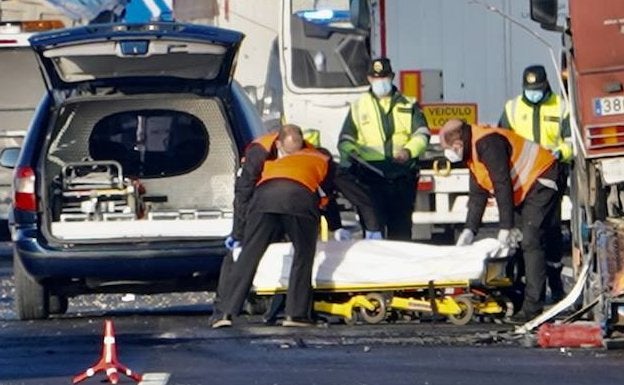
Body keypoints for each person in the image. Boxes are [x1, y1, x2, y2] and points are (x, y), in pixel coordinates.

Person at [212, 124, 339, 328]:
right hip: (299, 202)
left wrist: (244, 233)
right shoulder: (261, 152)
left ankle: (224, 312)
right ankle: (296, 314)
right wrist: (335, 224)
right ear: (279, 143)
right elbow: (327, 195)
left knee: (249, 254)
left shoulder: (280, 161)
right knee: (303, 256)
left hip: (264, 201)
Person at [440, 119, 559, 323]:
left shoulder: (487, 143)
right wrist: (470, 230)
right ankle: (520, 297)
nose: (449, 154)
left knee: (531, 240)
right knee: (519, 244)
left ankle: (533, 308)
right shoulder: (472, 154)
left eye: (449, 149)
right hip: (526, 187)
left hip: (542, 177)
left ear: (458, 143)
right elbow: (478, 194)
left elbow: (501, 182)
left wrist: (506, 226)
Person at [498, 64, 572, 303]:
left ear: (546, 86)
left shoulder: (560, 107)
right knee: (525, 234)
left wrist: (560, 152)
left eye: (538, 89)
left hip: (551, 176)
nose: (534, 93)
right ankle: (524, 286)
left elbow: (572, 141)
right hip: (522, 179)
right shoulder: (512, 109)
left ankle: (554, 281)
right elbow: (502, 140)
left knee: (549, 230)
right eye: (530, 90)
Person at [337, 57, 431, 241]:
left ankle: (400, 269)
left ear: (392, 76)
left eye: (384, 77)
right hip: (370, 178)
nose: (380, 81)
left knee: (401, 233)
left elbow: (422, 134)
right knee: (373, 229)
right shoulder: (358, 106)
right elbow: (345, 139)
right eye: (376, 77)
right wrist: (352, 153)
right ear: (369, 79)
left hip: (401, 177)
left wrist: (408, 152)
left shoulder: (408, 103)